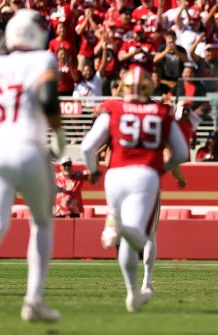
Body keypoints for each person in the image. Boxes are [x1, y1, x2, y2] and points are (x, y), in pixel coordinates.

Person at [0, 9, 67, 332]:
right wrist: (59, 135)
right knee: (42, 222)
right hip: (28, 146)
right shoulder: (42, 61)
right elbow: (48, 97)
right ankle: (34, 299)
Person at [80, 66, 189, 312]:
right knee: (141, 235)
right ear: (149, 86)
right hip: (145, 176)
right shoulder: (161, 112)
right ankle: (119, 227)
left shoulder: (113, 108)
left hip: (114, 175)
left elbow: (87, 148)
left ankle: (132, 293)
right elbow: (182, 153)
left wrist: (94, 171)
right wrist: (162, 168)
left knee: (129, 244)